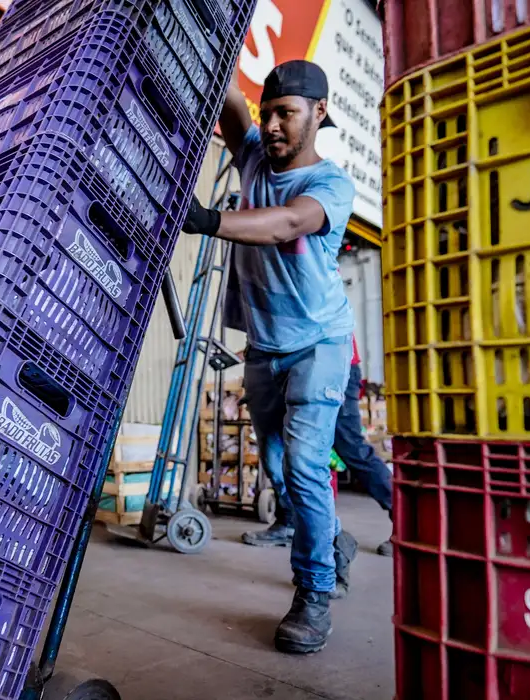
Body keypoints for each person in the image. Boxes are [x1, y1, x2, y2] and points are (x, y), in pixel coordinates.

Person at [182, 60, 356, 655]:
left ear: (319, 112)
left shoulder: (330, 184)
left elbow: (286, 224)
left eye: (287, 113)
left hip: (320, 343)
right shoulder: (255, 154)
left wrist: (207, 220)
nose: (273, 125)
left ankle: (314, 593)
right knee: (278, 469)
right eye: (269, 113)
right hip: (265, 346)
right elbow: (229, 95)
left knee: (305, 468)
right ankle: (333, 538)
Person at [243, 337, 395, 557]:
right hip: (285, 366)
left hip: (330, 362)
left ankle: (405, 520)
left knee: (351, 447)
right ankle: (289, 521)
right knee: (273, 447)